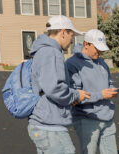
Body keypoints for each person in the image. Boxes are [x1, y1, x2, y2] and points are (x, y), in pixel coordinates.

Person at [27, 15, 91, 154]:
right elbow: (54, 88)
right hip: (50, 126)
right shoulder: (51, 52)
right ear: (63, 32)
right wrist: (75, 95)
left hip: (44, 123)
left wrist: (69, 99)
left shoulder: (43, 51)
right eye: (71, 35)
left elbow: (48, 87)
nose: (72, 40)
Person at [66, 29, 119, 154]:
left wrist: (112, 90)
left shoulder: (102, 63)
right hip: (86, 118)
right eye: (97, 48)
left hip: (107, 117)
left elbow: (109, 83)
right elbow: (75, 96)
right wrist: (101, 95)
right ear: (86, 44)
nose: (100, 52)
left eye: (102, 48)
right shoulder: (72, 64)